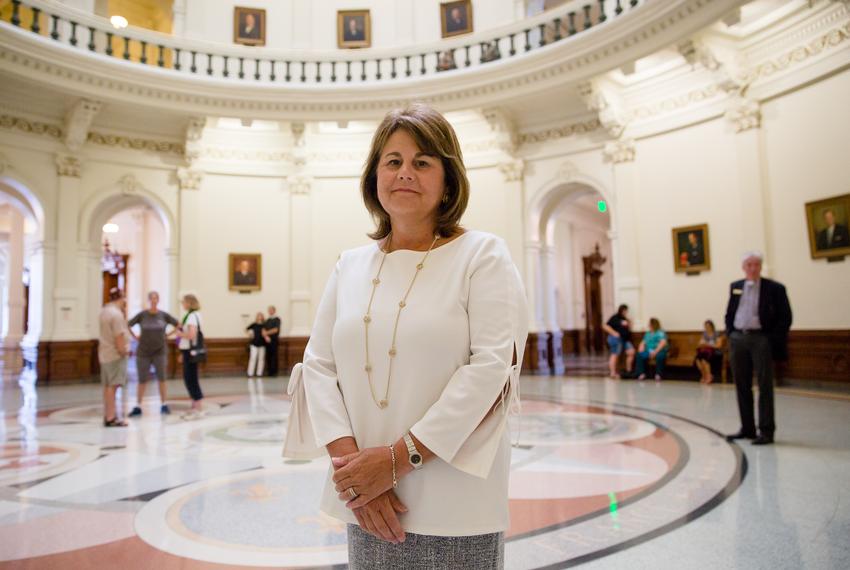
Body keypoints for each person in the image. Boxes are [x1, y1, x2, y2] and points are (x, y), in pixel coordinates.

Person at [300, 103, 527, 569]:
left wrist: (397, 460)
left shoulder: (481, 255)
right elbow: (318, 368)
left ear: (448, 181)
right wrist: (355, 475)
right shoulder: (350, 265)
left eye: (423, 162)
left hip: (455, 497)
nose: (405, 172)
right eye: (393, 161)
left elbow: (490, 371)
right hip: (366, 498)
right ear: (374, 177)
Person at [725, 251, 792, 446]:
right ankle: (747, 428)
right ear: (743, 267)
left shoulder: (775, 288)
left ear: (761, 267)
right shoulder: (736, 287)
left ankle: (766, 430)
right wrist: (730, 332)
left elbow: (785, 317)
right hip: (738, 337)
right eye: (749, 265)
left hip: (761, 339)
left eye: (756, 265)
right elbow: (730, 312)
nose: (752, 268)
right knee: (741, 384)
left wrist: (770, 339)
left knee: (764, 385)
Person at [127, 291, 179, 416]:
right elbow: (128, 325)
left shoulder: (163, 315)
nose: (154, 300)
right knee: (142, 379)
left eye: (156, 298)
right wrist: (135, 337)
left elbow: (178, 325)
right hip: (143, 352)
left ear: (158, 300)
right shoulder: (142, 315)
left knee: (162, 378)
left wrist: (167, 335)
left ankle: (164, 404)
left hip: (160, 351)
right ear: (149, 300)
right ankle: (138, 406)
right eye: (151, 298)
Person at [99, 288, 130, 427]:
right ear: (121, 298)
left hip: (104, 354)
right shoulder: (116, 315)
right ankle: (111, 417)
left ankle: (108, 414)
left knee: (108, 386)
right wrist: (123, 351)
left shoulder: (104, 311)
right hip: (114, 355)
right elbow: (119, 336)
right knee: (113, 386)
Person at [177, 294, 205, 420]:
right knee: (190, 377)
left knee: (190, 378)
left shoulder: (192, 316)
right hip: (187, 350)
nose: (182, 304)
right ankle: (194, 405)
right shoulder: (194, 315)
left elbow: (192, 335)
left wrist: (180, 334)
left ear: (189, 303)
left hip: (190, 351)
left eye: (184, 302)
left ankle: (198, 406)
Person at [603, 304, 634, 378]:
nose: (626, 312)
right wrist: (614, 333)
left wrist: (630, 322)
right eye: (624, 310)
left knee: (631, 351)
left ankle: (628, 370)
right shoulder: (615, 317)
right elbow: (605, 326)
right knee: (615, 354)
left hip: (625, 339)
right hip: (616, 339)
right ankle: (612, 373)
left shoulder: (625, 318)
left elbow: (629, 327)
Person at [246, 312, 267, 407]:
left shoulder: (265, 325)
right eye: (258, 315)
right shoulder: (253, 325)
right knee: (253, 358)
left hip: (262, 344)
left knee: (261, 359)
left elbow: (266, 334)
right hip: (254, 344)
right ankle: (250, 373)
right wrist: (250, 334)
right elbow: (247, 329)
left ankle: (259, 373)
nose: (259, 317)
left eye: (260, 316)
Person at [695, 319, 722, 384]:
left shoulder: (716, 334)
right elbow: (700, 344)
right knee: (698, 359)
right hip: (705, 351)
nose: (707, 327)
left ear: (712, 326)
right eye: (705, 326)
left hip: (715, 352)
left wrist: (708, 345)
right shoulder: (704, 334)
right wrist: (702, 344)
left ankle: (709, 376)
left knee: (704, 359)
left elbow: (718, 346)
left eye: (708, 326)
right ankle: (704, 376)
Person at [263, 306, 281, 377]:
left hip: (274, 340)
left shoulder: (277, 319)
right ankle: (269, 371)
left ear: (274, 310)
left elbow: (276, 330)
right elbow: (263, 329)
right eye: (269, 310)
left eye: (271, 310)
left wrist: (266, 333)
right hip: (267, 341)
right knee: (268, 356)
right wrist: (266, 336)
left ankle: (274, 372)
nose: (270, 311)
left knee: (274, 356)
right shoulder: (267, 320)